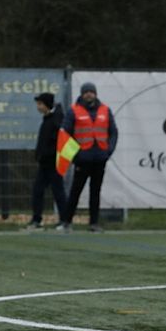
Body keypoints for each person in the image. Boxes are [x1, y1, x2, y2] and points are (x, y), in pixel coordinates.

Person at [58, 82, 118, 233]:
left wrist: (108, 151)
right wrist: (75, 156)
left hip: (100, 158)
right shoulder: (74, 110)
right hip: (82, 158)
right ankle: (67, 221)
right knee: (75, 191)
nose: (89, 94)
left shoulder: (105, 110)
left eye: (91, 92)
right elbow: (65, 134)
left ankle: (94, 223)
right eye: (86, 92)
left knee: (95, 192)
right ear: (82, 94)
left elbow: (113, 132)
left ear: (95, 93)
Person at [24, 93, 68, 230]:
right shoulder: (48, 119)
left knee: (58, 191)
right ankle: (37, 219)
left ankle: (65, 220)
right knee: (38, 190)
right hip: (44, 162)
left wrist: (49, 154)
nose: (38, 107)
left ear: (47, 104)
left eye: (40, 104)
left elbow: (58, 141)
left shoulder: (57, 120)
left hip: (53, 162)